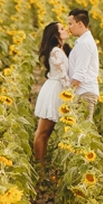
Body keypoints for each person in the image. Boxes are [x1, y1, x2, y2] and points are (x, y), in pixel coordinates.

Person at [33, 22, 71, 173]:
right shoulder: (55, 52)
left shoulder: (62, 50)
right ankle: (39, 170)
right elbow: (64, 77)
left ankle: (40, 169)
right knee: (43, 133)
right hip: (54, 92)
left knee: (46, 133)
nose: (65, 29)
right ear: (56, 36)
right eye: (62, 29)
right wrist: (73, 95)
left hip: (59, 90)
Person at [66, 8, 100, 119]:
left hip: (84, 94)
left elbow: (79, 73)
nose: (68, 28)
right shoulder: (83, 41)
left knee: (83, 130)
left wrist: (68, 94)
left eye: (70, 24)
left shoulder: (84, 44)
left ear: (80, 24)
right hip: (83, 92)